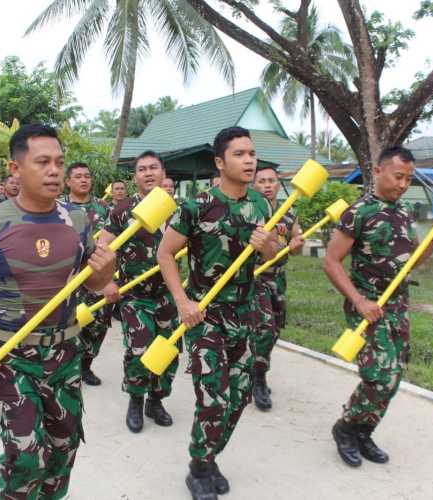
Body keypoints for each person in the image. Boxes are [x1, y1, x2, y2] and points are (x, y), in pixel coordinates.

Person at [0, 124, 116, 499]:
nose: (54, 170)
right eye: (43, 162)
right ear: (16, 169)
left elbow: (93, 284)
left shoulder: (79, 221)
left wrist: (106, 271)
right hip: (9, 358)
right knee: (24, 456)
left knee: (63, 449)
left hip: (66, 354)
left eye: (59, 162)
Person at [157, 127, 278, 499]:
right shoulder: (196, 206)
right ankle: (199, 464)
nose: (249, 160)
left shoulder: (261, 204)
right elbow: (165, 254)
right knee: (213, 396)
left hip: (246, 312)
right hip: (205, 314)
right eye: (240, 154)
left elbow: (272, 257)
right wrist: (182, 302)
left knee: (239, 396)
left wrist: (267, 244)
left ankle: (209, 457)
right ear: (219, 162)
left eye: (252, 154)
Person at [324, 146, 433, 468]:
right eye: (398, 176)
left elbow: (412, 262)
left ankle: (364, 430)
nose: (403, 184)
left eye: (408, 179)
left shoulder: (405, 213)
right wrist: (359, 301)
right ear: (378, 171)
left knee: (394, 377)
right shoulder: (359, 212)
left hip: (398, 305)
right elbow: (331, 261)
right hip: (368, 305)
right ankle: (346, 427)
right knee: (378, 376)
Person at [100, 151, 178, 434]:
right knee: (139, 348)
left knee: (167, 351)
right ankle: (136, 399)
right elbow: (103, 248)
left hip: (169, 295)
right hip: (135, 294)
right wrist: (107, 282)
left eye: (153, 168)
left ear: (163, 173)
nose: (148, 173)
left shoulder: (179, 210)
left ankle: (156, 401)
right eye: (142, 169)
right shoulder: (122, 209)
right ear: (135, 177)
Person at [250, 166, 304, 410]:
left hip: (278, 279)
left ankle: (254, 368)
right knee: (265, 329)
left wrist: (296, 244)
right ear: (254, 185)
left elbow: (298, 243)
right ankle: (258, 379)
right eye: (262, 181)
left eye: (272, 180)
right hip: (255, 278)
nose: (268, 185)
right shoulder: (249, 212)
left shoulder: (289, 211)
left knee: (274, 330)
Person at [66, 162, 113, 386]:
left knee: (97, 324)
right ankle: (68, 366)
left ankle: (86, 365)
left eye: (87, 176)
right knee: (68, 324)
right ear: (68, 181)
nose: (84, 180)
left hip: (97, 277)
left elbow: (114, 244)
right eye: (78, 176)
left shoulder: (104, 207)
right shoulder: (58, 208)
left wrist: (110, 278)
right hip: (68, 279)